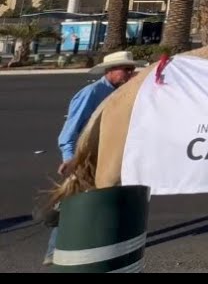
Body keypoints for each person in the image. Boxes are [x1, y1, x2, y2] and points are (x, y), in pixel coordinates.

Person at [45, 50, 140, 265]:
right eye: (125, 69)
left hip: (110, 158)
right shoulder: (91, 93)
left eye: (131, 69)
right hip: (86, 159)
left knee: (106, 202)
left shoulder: (121, 93)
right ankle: (54, 251)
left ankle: (103, 243)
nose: (129, 73)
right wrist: (71, 159)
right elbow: (68, 133)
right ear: (110, 71)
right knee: (75, 204)